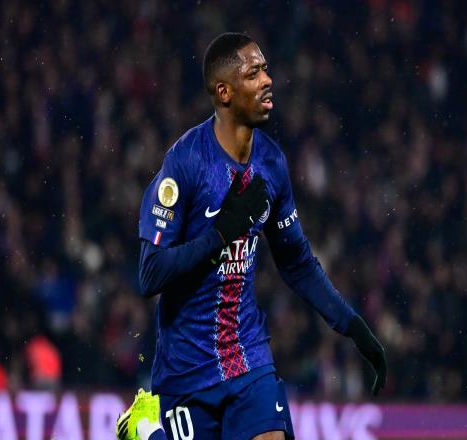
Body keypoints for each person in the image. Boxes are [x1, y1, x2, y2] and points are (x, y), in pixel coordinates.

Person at [117, 32, 387, 440]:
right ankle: (145, 431)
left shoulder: (272, 163)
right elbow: (149, 274)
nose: (267, 80)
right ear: (224, 92)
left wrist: (353, 326)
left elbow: (296, 263)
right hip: (186, 369)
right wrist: (220, 234)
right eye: (253, 73)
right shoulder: (185, 163)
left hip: (248, 358)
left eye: (265, 69)